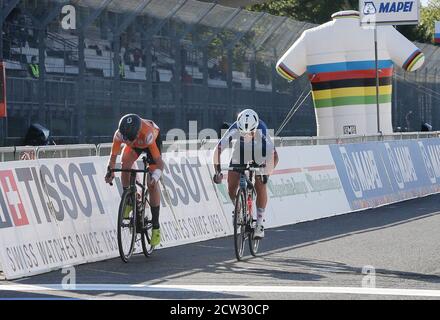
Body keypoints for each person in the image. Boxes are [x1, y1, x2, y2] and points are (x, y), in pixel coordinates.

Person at [212, 109, 279, 239]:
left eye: (250, 133)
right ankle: (238, 208)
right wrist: (218, 171)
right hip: (240, 152)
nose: (247, 135)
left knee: (260, 183)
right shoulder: (235, 127)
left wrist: (267, 172)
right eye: (243, 133)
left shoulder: (262, 129)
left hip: (260, 153)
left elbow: (275, 156)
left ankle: (259, 223)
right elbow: (217, 150)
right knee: (231, 186)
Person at [105, 114, 164, 246]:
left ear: (137, 134)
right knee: (125, 164)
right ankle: (130, 200)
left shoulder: (148, 135)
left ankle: (155, 226)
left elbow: (160, 164)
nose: (128, 142)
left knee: (152, 184)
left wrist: (154, 178)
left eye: (130, 139)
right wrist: (109, 171)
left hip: (150, 142)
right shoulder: (120, 134)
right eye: (126, 139)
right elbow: (113, 156)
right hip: (138, 142)